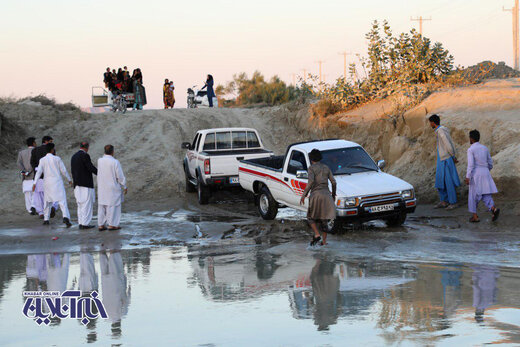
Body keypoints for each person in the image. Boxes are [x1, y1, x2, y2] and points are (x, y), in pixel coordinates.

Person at [300, 149, 337, 246]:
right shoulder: (326, 167)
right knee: (324, 219)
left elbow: (310, 182)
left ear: (311, 159)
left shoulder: (311, 168)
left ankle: (316, 234)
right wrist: (333, 195)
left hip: (316, 195)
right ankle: (324, 242)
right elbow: (334, 182)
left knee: (310, 217)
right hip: (326, 195)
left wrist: (304, 195)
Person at [32, 143, 73, 227]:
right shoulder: (57, 159)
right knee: (62, 201)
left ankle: (46, 219)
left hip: (47, 183)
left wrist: (34, 183)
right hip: (57, 182)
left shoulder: (42, 160)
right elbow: (63, 170)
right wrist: (69, 180)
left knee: (47, 202)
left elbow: (38, 172)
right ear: (52, 150)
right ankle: (65, 217)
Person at [465, 130, 500, 222]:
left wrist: (468, 176)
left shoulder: (471, 149)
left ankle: (475, 217)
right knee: (486, 193)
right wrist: (486, 170)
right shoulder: (485, 148)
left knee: (473, 195)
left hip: (476, 174)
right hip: (485, 172)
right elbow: (490, 163)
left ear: (471, 138)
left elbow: (471, 165)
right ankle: (493, 209)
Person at [429, 114, 460, 210]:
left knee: (448, 181)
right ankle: (444, 201)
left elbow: (448, 144)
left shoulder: (441, 131)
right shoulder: (440, 130)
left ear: (433, 122)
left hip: (445, 159)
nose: (430, 124)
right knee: (440, 180)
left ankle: (453, 202)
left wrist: (452, 155)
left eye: (430, 122)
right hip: (442, 159)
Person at [97, 145, 127, 231]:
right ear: (113, 151)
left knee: (102, 206)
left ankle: (101, 224)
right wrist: (124, 185)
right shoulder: (115, 162)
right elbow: (120, 176)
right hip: (112, 187)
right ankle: (112, 224)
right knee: (114, 206)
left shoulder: (100, 161)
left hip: (102, 187)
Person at [71, 141, 98, 229]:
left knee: (80, 204)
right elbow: (90, 167)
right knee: (87, 204)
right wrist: (100, 173)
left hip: (77, 184)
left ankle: (81, 222)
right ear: (87, 147)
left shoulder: (73, 156)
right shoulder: (85, 155)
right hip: (86, 184)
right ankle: (85, 224)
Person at [30, 135, 55, 218]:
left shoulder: (35, 150)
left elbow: (32, 162)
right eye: (51, 142)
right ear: (46, 141)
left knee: (38, 195)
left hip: (38, 176)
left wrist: (37, 169)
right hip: (48, 176)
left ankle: (41, 212)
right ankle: (50, 209)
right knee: (49, 194)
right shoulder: (51, 150)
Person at [18, 137, 37, 215]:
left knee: (27, 194)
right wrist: (30, 171)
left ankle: (29, 209)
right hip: (34, 175)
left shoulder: (21, 153)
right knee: (35, 193)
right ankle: (35, 207)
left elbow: (19, 163)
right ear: (33, 143)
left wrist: (24, 171)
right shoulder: (36, 151)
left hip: (25, 177)